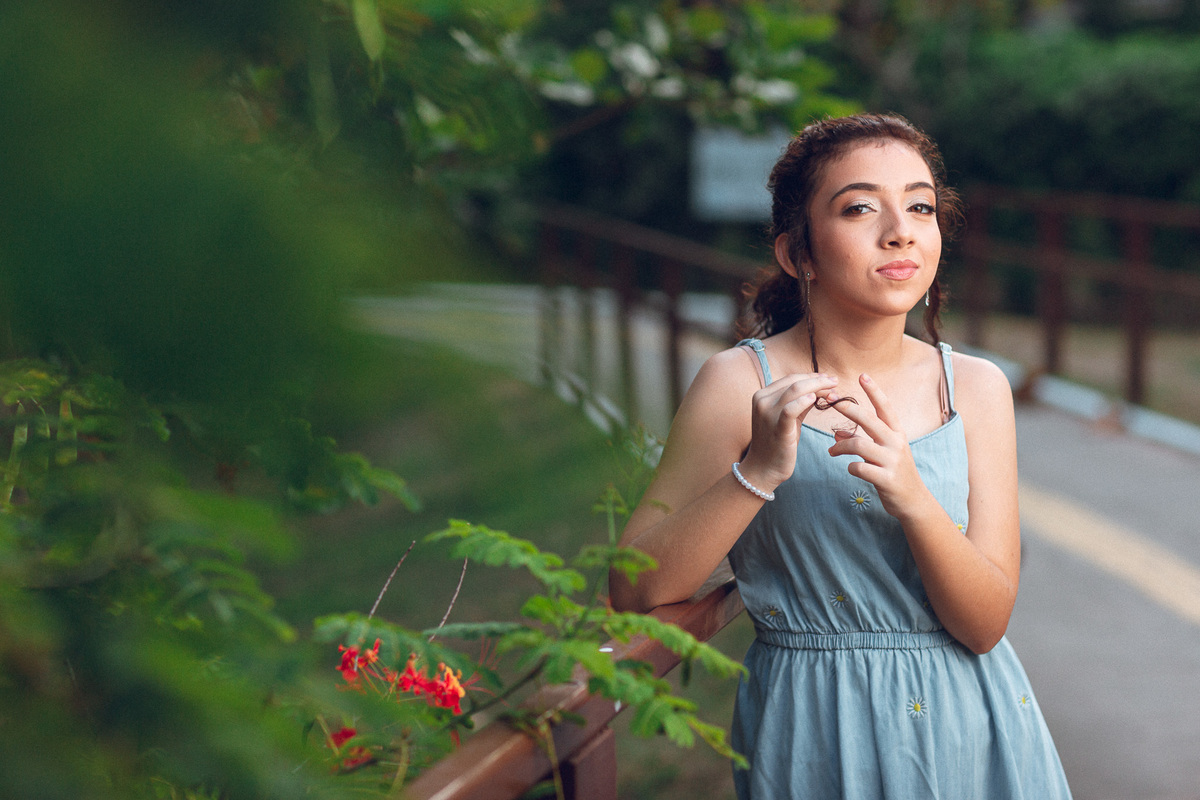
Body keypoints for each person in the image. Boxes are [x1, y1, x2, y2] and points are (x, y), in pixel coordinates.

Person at [609, 113, 1072, 798]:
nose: (900, 231)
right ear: (798, 253)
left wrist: (912, 497)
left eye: (920, 207)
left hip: (972, 729)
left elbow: (985, 624)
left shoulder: (975, 388)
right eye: (860, 208)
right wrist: (756, 474)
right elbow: (633, 589)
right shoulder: (740, 384)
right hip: (814, 730)